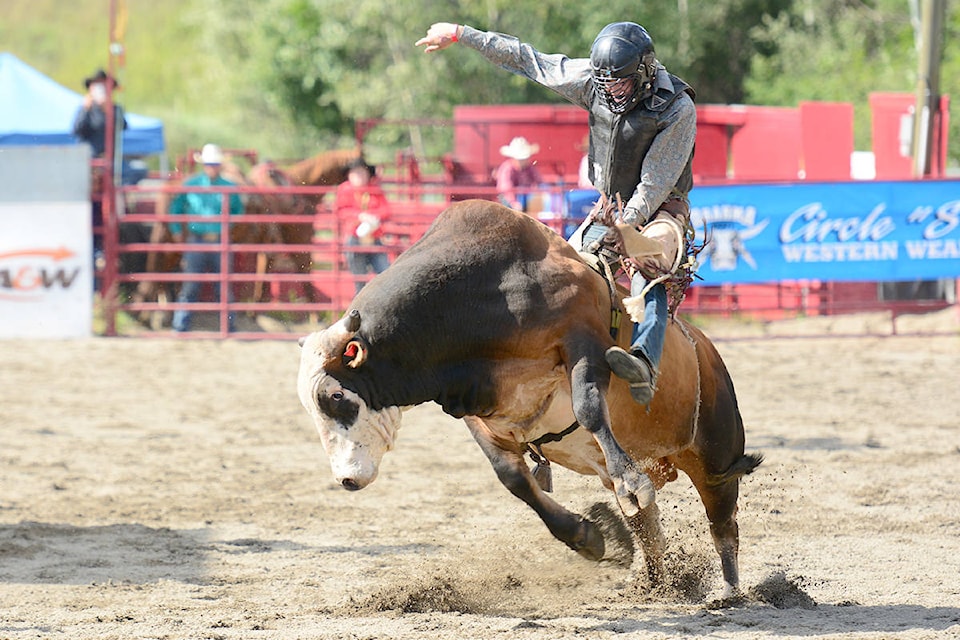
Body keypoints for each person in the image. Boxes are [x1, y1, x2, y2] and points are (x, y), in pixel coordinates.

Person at [416, 21, 696, 406]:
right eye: (606, 82)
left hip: (663, 210)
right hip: (610, 207)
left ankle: (644, 361)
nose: (612, 89)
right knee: (561, 271)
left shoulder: (677, 108)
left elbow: (655, 182)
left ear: (646, 71)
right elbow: (528, 59)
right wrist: (463, 34)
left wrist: (625, 226)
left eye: (621, 82)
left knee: (648, 266)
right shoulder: (591, 81)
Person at [166, 143, 244, 332]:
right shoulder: (191, 185)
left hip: (219, 239)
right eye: (209, 163)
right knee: (191, 284)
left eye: (215, 164)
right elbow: (175, 208)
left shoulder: (229, 187)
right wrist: (176, 230)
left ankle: (227, 325)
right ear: (204, 165)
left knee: (223, 285)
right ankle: (181, 324)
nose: (212, 167)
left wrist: (228, 224)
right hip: (197, 239)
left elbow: (238, 211)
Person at [335, 157, 391, 294]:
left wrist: (373, 216)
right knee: (360, 280)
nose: (359, 176)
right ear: (349, 175)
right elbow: (341, 211)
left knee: (386, 275)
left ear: (368, 174)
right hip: (355, 238)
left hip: (374, 238)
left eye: (362, 172)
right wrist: (360, 216)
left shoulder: (374, 190)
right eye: (355, 173)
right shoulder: (345, 189)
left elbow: (387, 211)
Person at [72, 68, 127, 159]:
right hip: (90, 157)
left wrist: (109, 111)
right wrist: (86, 109)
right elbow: (77, 129)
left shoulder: (115, 109)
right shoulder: (86, 109)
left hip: (110, 158)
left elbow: (123, 126)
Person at [494, 136, 542, 211]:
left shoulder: (529, 167)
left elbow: (539, 181)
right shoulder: (507, 169)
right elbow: (506, 189)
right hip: (507, 199)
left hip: (524, 198)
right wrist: (514, 203)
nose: (524, 160)